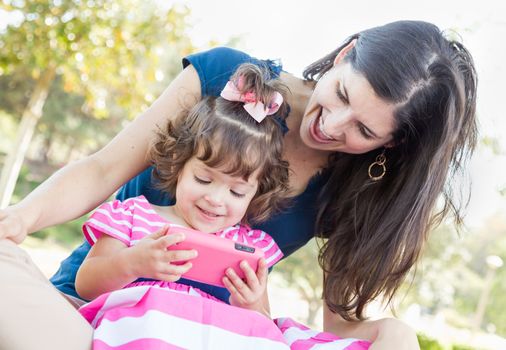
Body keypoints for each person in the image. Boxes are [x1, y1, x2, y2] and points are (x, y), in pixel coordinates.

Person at [0, 20, 477, 349]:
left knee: (398, 337)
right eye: (343, 95)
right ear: (345, 55)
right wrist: (22, 217)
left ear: (388, 147)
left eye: (365, 132)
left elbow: (331, 328)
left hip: (201, 336)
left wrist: (392, 333)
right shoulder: (228, 82)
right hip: (89, 318)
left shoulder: (349, 190)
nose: (333, 127)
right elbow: (103, 169)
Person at [74, 63, 370, 349]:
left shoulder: (249, 248)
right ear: (179, 165)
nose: (216, 199)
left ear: (255, 195)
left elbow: (262, 327)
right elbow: (86, 285)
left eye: (237, 192)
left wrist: (251, 303)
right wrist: (132, 263)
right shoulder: (133, 216)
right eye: (203, 179)